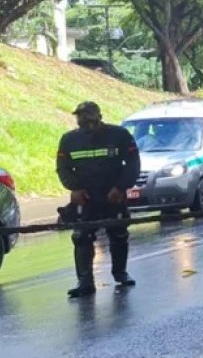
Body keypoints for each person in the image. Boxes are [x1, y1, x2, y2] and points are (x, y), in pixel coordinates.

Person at [55, 101, 141, 298]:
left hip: (113, 194)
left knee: (118, 234)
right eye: (81, 118)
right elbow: (63, 168)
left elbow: (133, 163)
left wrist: (121, 187)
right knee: (81, 237)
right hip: (86, 197)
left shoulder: (119, 135)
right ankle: (85, 281)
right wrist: (74, 188)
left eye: (89, 117)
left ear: (99, 117)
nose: (85, 122)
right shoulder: (69, 140)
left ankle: (120, 274)